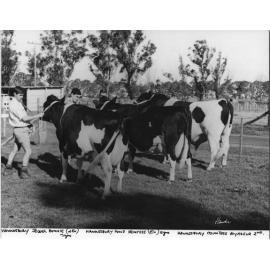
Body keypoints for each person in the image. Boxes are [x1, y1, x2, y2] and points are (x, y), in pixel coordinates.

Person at [3, 86, 44, 179]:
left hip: (18, 129)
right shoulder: (15, 105)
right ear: (15, 94)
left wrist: (30, 124)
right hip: (21, 131)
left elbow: (24, 118)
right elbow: (24, 118)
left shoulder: (17, 103)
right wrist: (38, 115)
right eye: (20, 95)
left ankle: (8, 168)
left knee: (15, 150)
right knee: (28, 151)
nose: (22, 97)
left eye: (23, 95)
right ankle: (23, 172)